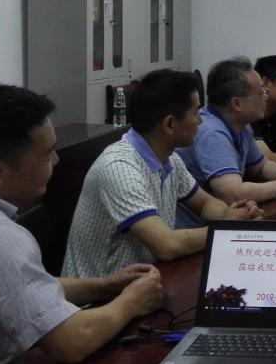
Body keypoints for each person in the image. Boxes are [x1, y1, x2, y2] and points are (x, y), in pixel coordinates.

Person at [0, 83, 162, 364]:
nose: (57, 161)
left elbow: (10, 286)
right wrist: (133, 301)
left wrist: (103, 286)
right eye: (46, 154)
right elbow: (71, 342)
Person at [62, 70, 264, 279]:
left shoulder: (169, 158)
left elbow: (205, 204)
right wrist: (224, 228)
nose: (200, 121)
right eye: (195, 113)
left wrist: (232, 215)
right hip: (101, 294)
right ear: (170, 124)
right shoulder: (120, 168)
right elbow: (166, 245)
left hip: (145, 281)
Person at [177, 57, 276, 206]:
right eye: (260, 93)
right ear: (237, 103)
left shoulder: (240, 124)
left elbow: (260, 167)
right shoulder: (212, 133)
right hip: (199, 219)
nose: (265, 96)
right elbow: (233, 194)